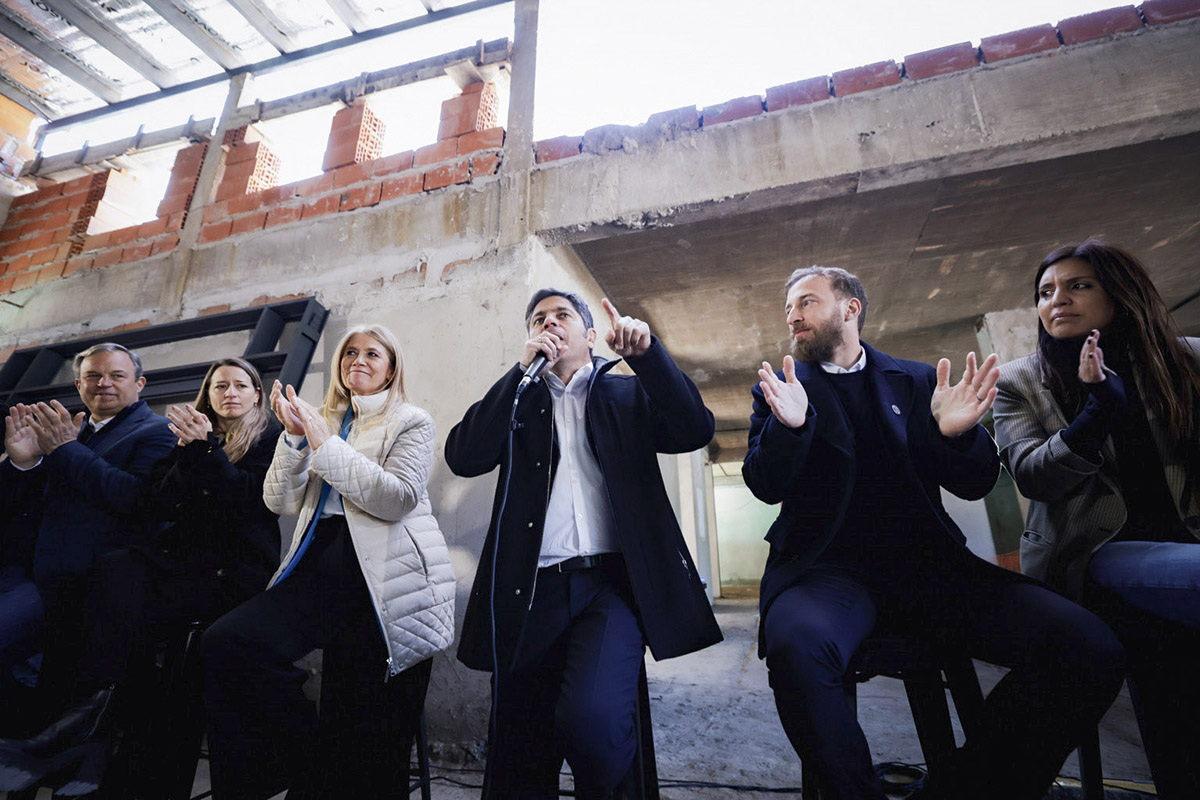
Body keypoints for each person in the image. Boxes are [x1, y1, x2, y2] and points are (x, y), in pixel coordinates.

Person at [743, 265, 1125, 800]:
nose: (793, 315)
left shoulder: (919, 381)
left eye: (806, 302)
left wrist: (956, 434)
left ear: (850, 309)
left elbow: (975, 483)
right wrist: (793, 429)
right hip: (826, 575)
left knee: (1090, 646)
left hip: (932, 569)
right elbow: (763, 484)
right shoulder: (782, 389)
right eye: (788, 308)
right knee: (795, 647)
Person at [445, 289, 722, 799]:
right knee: (521, 744)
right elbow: (464, 456)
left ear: (590, 336)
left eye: (562, 315)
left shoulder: (628, 394)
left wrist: (650, 358)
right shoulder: (519, 402)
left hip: (609, 589)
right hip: (528, 589)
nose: (549, 323)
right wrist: (517, 372)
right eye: (538, 318)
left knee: (594, 723)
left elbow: (694, 428)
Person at [0, 357, 284, 795]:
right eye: (219, 386)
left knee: (120, 581)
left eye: (240, 385)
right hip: (185, 564)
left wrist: (203, 451)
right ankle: (94, 716)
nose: (229, 393)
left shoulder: (272, 438)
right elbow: (160, 502)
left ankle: (90, 726)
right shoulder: (189, 438)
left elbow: (247, 501)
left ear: (256, 395)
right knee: (117, 566)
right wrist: (191, 450)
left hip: (233, 569)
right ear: (206, 396)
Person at [203, 324, 455, 800]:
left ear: (391, 367)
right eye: (349, 352)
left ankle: (323, 774)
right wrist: (296, 440)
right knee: (226, 643)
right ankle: (302, 762)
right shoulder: (322, 420)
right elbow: (279, 501)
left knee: (366, 726)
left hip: (387, 575)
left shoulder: (411, 421)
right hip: (320, 564)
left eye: (372, 353)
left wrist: (325, 442)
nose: (357, 360)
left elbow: (397, 499)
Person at [993, 239, 1200, 798]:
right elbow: (1033, 476)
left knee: (1170, 655)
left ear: (1120, 294)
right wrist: (1096, 414)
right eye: (1045, 291)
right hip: (1090, 558)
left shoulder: (1186, 362)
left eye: (1077, 285)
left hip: (1182, 546)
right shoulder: (1019, 382)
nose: (1057, 300)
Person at [0, 345, 175, 731]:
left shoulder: (159, 432)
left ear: (140, 384)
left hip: (83, 585)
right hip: (24, 573)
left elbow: (134, 499)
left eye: (117, 375)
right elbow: (20, 510)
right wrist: (22, 463)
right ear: (79, 384)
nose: (104, 384)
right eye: (94, 376)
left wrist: (66, 450)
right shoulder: (63, 430)